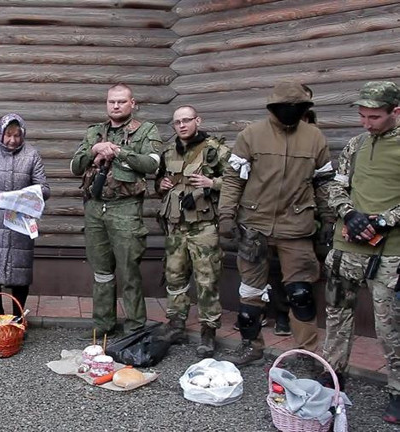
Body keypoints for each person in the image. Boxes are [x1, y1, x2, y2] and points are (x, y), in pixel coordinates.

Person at [218, 81, 334, 366]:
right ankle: (251, 346)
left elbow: (325, 183)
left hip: (296, 227)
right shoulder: (251, 135)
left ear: (305, 110)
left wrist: (329, 219)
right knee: (250, 291)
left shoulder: (315, 138)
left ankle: (307, 354)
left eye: (298, 109)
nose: (290, 113)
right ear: (273, 108)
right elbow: (234, 178)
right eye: (285, 108)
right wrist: (225, 215)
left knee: (301, 294)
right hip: (254, 225)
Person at [321, 81, 400, 424]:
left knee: (389, 326)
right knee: (338, 315)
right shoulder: (356, 143)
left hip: (390, 253)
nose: (367, 123)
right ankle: (332, 378)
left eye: (375, 117)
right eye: (363, 116)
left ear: (396, 112)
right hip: (346, 246)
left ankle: (398, 390)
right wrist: (348, 213)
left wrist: (385, 220)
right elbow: (336, 184)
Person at [70, 83, 162, 339]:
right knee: (101, 271)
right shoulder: (94, 132)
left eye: (122, 101)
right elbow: (74, 166)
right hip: (95, 207)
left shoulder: (146, 131)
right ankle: (103, 325)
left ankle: (135, 327)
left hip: (126, 208)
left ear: (133, 104)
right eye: (112, 101)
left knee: (129, 270)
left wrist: (119, 152)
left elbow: (151, 164)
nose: (116, 105)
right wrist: (95, 151)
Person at [154, 105, 230, 358]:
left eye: (187, 120)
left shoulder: (215, 150)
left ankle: (209, 331)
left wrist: (212, 183)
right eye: (177, 122)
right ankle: (176, 324)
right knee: (174, 277)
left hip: (204, 226)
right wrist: (161, 184)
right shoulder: (168, 151)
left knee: (207, 280)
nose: (182, 125)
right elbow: (160, 181)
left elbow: (238, 179)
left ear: (198, 120)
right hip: (176, 225)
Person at [0, 113, 50, 317]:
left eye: (17, 135)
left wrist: (31, 194)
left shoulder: (31, 155)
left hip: (19, 222)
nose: (12, 140)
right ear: (1, 133)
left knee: (19, 273)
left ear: (23, 135)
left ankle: (18, 317)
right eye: (8, 135)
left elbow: (45, 188)